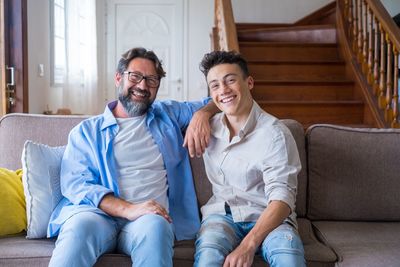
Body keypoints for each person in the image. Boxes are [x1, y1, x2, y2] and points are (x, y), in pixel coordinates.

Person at [47, 47, 218, 267]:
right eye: (135, 76)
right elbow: (77, 184)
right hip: (97, 216)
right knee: (78, 228)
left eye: (151, 80)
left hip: (148, 221)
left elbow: (218, 99)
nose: (142, 86)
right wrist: (129, 209)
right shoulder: (86, 131)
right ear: (119, 77)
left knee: (156, 228)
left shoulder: (169, 115)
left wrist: (203, 114)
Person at [194, 50, 306, 267]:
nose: (223, 90)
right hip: (221, 216)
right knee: (208, 256)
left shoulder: (275, 134)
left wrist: (248, 245)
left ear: (249, 83)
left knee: (288, 257)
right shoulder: (207, 127)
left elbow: (282, 199)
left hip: (270, 218)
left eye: (230, 80)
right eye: (215, 85)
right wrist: (201, 114)